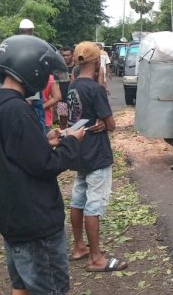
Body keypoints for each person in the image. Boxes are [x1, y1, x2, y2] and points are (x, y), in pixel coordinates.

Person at [0, 34, 85, 295]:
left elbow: (11, 151)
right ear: (32, 69)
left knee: (20, 286)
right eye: (44, 70)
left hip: (11, 215)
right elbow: (45, 166)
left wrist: (44, 140)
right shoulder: (17, 110)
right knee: (51, 289)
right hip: (35, 220)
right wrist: (71, 142)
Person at [67, 41, 127, 273]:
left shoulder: (72, 87)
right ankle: (95, 257)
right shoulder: (95, 89)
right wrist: (104, 123)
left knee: (78, 198)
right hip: (97, 152)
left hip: (78, 150)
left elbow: (66, 113)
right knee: (93, 204)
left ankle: (78, 246)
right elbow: (110, 124)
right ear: (96, 61)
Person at [57, 46, 75, 129]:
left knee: (75, 120)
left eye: (68, 55)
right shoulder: (58, 68)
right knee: (63, 121)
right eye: (63, 55)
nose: (65, 57)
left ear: (72, 55)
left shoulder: (77, 68)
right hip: (62, 100)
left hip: (75, 99)